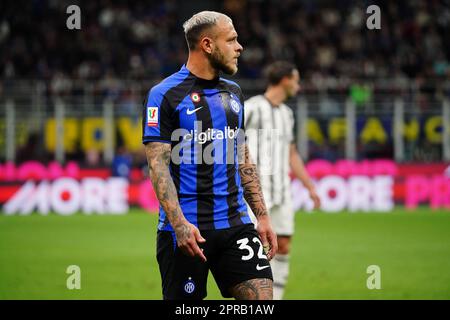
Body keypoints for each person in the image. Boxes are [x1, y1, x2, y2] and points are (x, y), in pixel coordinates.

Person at [142, 11, 278, 300]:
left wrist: (262, 216)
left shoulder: (234, 92)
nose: (239, 47)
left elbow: (242, 157)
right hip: (187, 231)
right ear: (207, 45)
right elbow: (158, 166)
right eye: (231, 40)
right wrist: (179, 225)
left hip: (236, 224)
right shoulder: (164, 94)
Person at [244, 61, 321, 300]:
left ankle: (275, 299)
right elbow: (231, 141)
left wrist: (310, 187)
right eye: (296, 80)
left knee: (283, 245)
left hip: (282, 191)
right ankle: (253, 297)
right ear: (285, 79)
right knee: (253, 248)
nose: (298, 86)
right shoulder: (251, 108)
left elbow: (291, 153)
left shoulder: (287, 114)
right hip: (256, 192)